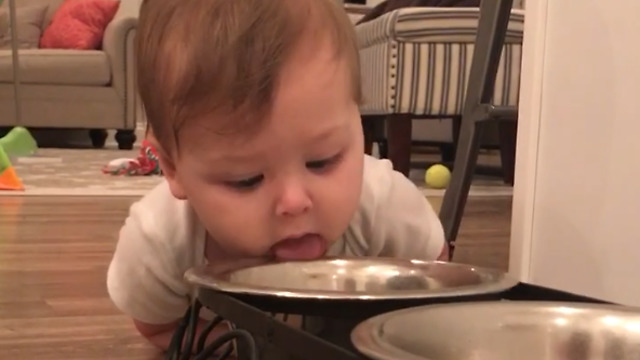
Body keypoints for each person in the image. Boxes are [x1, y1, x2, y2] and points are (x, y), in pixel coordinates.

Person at [106, 0, 447, 352]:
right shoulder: (159, 242)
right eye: (246, 179)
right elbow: (156, 324)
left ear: (358, 122)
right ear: (172, 167)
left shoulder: (384, 205)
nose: (294, 202)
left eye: (322, 161)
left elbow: (437, 271)